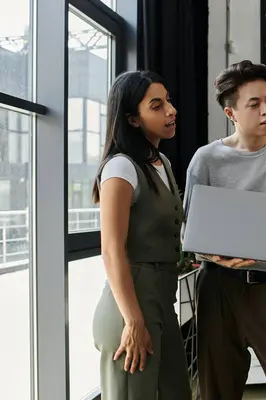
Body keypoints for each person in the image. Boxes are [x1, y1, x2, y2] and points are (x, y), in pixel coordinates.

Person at [182, 60, 266, 399]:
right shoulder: (206, 160)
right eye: (254, 104)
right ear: (231, 114)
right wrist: (212, 254)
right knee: (217, 391)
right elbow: (190, 231)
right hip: (219, 289)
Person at [91, 71, 191, 400]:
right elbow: (111, 251)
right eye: (157, 105)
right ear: (133, 119)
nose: (171, 110)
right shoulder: (121, 167)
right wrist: (133, 323)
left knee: (177, 391)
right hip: (132, 305)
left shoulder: (160, 161)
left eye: (169, 101)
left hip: (163, 299)